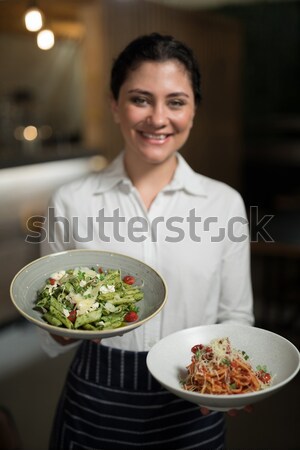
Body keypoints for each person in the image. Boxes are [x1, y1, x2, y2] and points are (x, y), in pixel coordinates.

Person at [40, 32, 254, 450]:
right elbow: (48, 310)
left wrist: (231, 373)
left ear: (194, 110)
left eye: (176, 101)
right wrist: (62, 325)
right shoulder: (70, 201)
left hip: (194, 394)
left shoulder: (224, 203)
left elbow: (235, 315)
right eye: (141, 99)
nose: (158, 118)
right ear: (114, 104)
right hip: (96, 402)